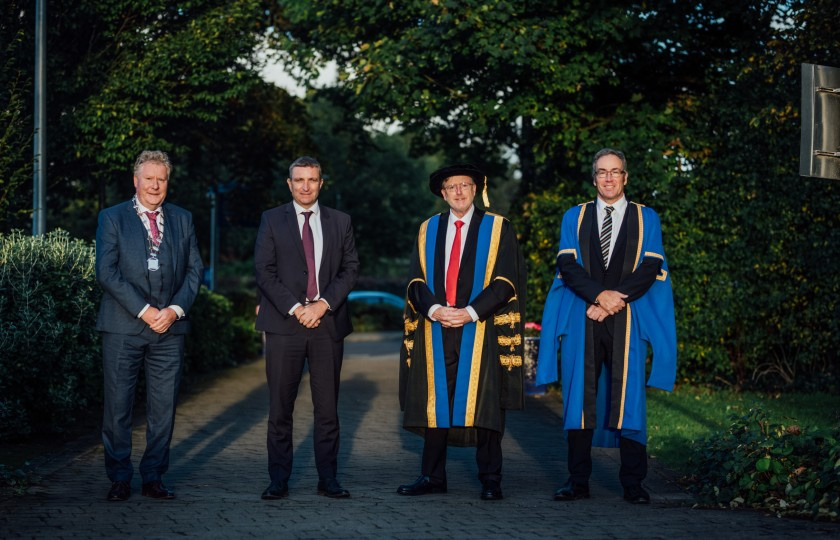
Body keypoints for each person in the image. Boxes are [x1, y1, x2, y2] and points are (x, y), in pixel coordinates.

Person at [536, 148, 677, 504]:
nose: (609, 178)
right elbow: (567, 266)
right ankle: (577, 481)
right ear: (594, 178)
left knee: (629, 397)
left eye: (615, 172)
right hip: (584, 318)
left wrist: (615, 301)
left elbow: (650, 267)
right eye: (602, 172)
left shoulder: (647, 218)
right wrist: (600, 297)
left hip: (628, 320)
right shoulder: (575, 216)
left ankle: (633, 483)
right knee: (579, 397)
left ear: (626, 177)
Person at [397, 163, 526, 501]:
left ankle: (490, 479)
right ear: (442, 192)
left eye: (464, 185)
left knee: (483, 404)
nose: (458, 191)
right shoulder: (428, 229)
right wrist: (436, 310)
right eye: (451, 186)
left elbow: (505, 281)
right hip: (436, 328)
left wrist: (469, 313)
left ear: (475, 189)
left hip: (480, 329)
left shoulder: (499, 228)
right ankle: (431, 476)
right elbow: (415, 281)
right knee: (435, 404)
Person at [95, 150, 203, 501]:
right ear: (136, 181)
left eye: (162, 179)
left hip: (169, 331)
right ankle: (119, 477)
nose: (156, 185)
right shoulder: (111, 218)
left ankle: (154, 476)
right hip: (123, 327)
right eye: (149, 178)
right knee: (118, 407)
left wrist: (173, 310)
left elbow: (194, 271)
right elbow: (106, 273)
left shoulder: (183, 219)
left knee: (163, 409)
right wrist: (145, 311)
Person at [254, 156, 359, 500]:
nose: (305, 186)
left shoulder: (341, 221)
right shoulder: (271, 219)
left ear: (321, 183)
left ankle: (328, 478)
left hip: (327, 325)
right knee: (280, 408)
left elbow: (350, 269)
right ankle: (278, 479)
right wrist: (298, 308)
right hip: (284, 325)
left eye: (312, 180)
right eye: (299, 180)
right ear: (289, 183)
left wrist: (322, 304)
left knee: (327, 409)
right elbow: (264, 271)